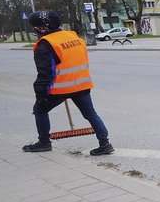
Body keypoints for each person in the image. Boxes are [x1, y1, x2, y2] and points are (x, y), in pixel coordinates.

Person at [22, 10, 114, 156]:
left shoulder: (45, 44)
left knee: (40, 110)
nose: (35, 30)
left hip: (60, 89)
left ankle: (44, 143)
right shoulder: (73, 36)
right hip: (82, 85)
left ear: (42, 28)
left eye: (35, 27)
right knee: (91, 114)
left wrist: (40, 94)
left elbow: (45, 73)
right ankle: (105, 144)